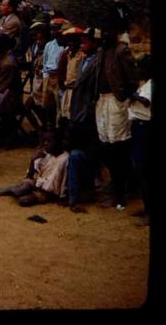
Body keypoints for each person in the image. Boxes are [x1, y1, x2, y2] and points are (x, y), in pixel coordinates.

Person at [95, 20, 138, 210]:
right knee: (106, 145)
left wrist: (124, 97)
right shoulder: (101, 51)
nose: (104, 35)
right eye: (103, 31)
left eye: (108, 31)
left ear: (116, 33)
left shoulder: (121, 50)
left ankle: (122, 193)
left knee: (118, 147)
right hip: (102, 101)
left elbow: (132, 78)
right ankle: (117, 187)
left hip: (116, 101)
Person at [63, 28, 102, 213]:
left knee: (87, 149)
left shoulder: (98, 61)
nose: (82, 43)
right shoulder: (83, 60)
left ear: (95, 43)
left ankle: (90, 183)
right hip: (78, 108)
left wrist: (90, 108)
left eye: (86, 41)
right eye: (82, 40)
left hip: (90, 110)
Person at [0, 130, 69, 206]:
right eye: (44, 141)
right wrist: (33, 160)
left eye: (49, 141)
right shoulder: (45, 154)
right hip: (37, 183)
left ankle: (18, 191)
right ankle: (15, 189)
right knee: (23, 189)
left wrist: (62, 197)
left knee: (23, 201)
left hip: (48, 192)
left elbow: (58, 183)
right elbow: (30, 175)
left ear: (59, 142)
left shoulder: (64, 159)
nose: (45, 144)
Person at [128, 54, 152, 226]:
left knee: (145, 171)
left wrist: (133, 96)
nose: (137, 70)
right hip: (138, 127)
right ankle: (145, 207)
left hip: (146, 128)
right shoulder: (144, 84)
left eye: (139, 67)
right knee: (139, 169)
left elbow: (146, 103)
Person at [41, 19, 66, 128]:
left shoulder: (65, 47)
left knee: (60, 106)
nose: (53, 32)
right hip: (49, 78)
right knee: (48, 105)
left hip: (59, 78)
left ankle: (59, 129)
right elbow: (45, 62)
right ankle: (49, 128)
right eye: (52, 29)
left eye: (55, 29)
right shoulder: (49, 45)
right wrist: (45, 77)